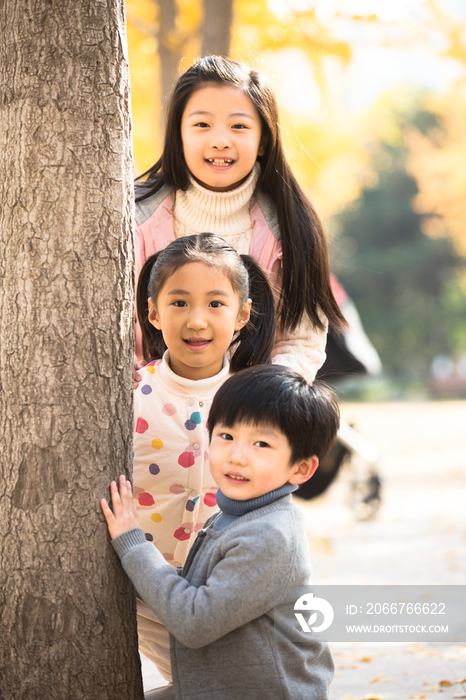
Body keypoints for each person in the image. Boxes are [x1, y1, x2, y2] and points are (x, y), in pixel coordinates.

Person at [101, 365, 340, 700]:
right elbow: (197, 587)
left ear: (301, 468)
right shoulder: (238, 514)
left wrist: (132, 543)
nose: (237, 457)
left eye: (261, 444)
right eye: (227, 437)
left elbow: (195, 622)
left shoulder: (270, 534)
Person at [134, 55, 347, 380]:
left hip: (248, 415)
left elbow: (302, 340)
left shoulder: (290, 227)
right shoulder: (136, 220)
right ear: (178, 134)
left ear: (263, 139)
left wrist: (257, 396)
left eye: (239, 126)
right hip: (152, 409)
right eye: (202, 125)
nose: (220, 140)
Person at [133, 233, 276, 682]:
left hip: (222, 591)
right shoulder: (128, 395)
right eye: (179, 303)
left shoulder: (256, 401)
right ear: (153, 313)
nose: (197, 320)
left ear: (242, 315)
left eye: (215, 304)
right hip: (143, 590)